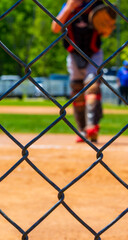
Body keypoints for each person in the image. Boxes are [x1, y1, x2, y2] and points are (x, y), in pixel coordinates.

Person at [51, 0, 107, 143]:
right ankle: (82, 129)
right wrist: (70, 6)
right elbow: (55, 28)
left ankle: (92, 126)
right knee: (77, 90)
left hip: (93, 52)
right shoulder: (69, 5)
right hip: (74, 52)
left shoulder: (97, 4)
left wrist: (105, 26)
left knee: (92, 87)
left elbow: (106, 31)